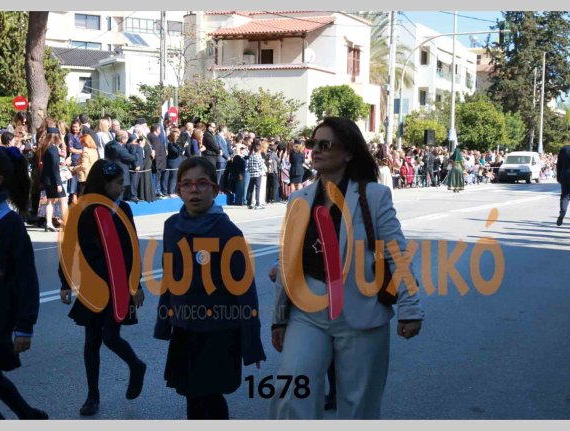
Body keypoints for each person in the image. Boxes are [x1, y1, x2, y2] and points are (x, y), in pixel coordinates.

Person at [269, 117, 424, 419]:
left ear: (349, 152)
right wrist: (279, 318)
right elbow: (289, 258)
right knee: (290, 390)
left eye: (325, 144)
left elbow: (397, 253)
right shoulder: (298, 199)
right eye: (312, 143)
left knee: (358, 407)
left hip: (361, 311)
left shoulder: (373, 196)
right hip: (307, 312)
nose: (315, 150)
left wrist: (410, 308)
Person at [154, 157, 266, 419]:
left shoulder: (228, 232)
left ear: (215, 190)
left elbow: (245, 292)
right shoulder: (171, 227)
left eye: (202, 183)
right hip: (185, 329)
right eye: (187, 184)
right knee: (192, 395)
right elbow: (170, 278)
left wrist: (252, 343)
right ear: (179, 190)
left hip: (219, 332)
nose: (194, 190)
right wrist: (164, 322)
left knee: (210, 397)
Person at [59, 159, 146, 417]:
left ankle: (136, 365)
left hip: (118, 284)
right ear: (103, 184)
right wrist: (65, 282)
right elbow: (70, 247)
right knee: (91, 342)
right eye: (118, 183)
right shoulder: (82, 210)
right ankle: (92, 396)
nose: (122, 187)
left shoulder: (123, 209)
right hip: (92, 285)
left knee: (110, 337)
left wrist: (136, 284)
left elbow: (132, 247)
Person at [0, 146, 46, 419]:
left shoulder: (10, 223)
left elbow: (26, 277)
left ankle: (25, 414)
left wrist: (25, 325)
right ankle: (27, 414)